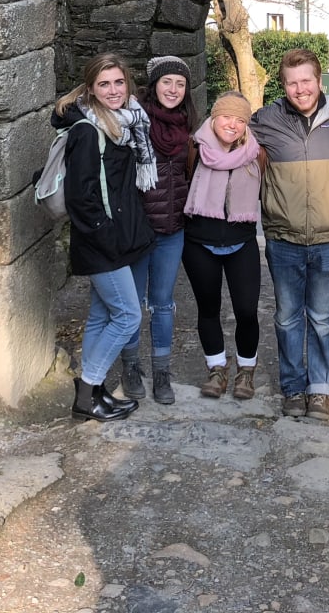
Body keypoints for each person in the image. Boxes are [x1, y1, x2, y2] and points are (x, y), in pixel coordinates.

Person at [249, 49, 329, 419]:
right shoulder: (266, 120)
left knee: (323, 319)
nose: (300, 89)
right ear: (283, 86)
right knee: (286, 318)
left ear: (320, 80)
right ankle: (293, 387)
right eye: (292, 82)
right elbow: (222, 131)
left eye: (306, 81)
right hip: (283, 239)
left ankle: (319, 388)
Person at [51, 53, 156, 422]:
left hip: (113, 239)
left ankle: (93, 395)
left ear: (127, 83)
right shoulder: (86, 130)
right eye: (104, 84)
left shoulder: (124, 123)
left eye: (118, 82)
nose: (113, 91)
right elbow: (82, 198)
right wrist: (107, 238)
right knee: (127, 315)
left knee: (100, 316)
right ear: (91, 89)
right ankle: (87, 393)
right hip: (101, 243)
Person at [120, 56, 198, 405]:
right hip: (138, 230)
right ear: (154, 85)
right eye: (167, 82)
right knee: (133, 304)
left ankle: (162, 372)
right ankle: (131, 367)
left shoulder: (188, 128)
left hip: (172, 229)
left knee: (163, 304)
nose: (173, 90)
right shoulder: (133, 121)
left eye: (180, 84)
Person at [182, 91, 266, 400]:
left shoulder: (257, 153)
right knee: (208, 309)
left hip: (241, 241)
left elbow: (265, 190)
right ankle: (217, 368)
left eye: (240, 119)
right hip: (199, 242)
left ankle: (246, 370)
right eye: (226, 117)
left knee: (246, 311)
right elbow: (182, 181)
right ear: (213, 118)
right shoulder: (195, 147)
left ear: (246, 125)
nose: (232, 124)